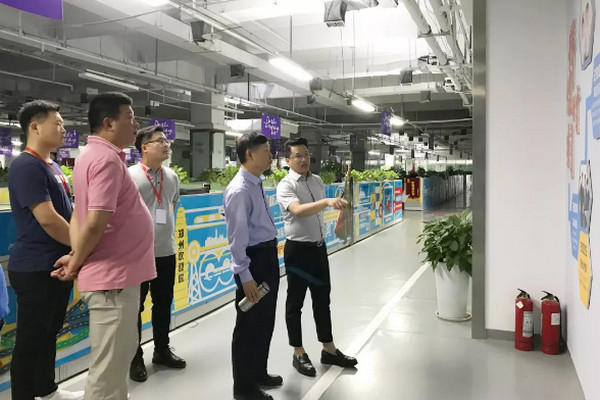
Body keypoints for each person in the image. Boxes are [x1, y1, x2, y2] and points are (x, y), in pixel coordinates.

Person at [52, 93, 156, 400]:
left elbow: (79, 214)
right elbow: (95, 222)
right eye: (130, 118)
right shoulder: (105, 159)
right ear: (109, 123)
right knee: (109, 371)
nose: (136, 125)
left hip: (116, 279)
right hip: (114, 282)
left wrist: (76, 254)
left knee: (115, 361)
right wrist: (76, 261)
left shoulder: (92, 155)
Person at [8, 100, 83, 400]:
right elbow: (48, 219)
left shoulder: (52, 166)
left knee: (49, 332)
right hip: (35, 267)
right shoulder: (26, 165)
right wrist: (81, 246)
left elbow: (68, 211)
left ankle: (47, 390)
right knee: (30, 339)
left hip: (56, 263)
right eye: (58, 123)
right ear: (35, 127)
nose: (64, 129)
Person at [276, 137, 357, 377]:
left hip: (319, 250)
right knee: (295, 304)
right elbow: (299, 211)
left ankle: (328, 349)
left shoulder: (317, 180)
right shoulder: (285, 185)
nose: (303, 160)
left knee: (322, 301)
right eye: (298, 156)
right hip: (298, 252)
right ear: (288, 160)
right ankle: (298, 352)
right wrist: (326, 201)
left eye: (306, 155)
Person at [223, 133, 282, 400]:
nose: (271, 156)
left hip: (267, 257)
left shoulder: (256, 183)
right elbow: (237, 241)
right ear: (250, 154)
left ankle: (258, 373)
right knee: (248, 326)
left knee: (265, 321)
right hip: (253, 262)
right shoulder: (239, 190)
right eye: (266, 151)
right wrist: (245, 276)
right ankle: (244, 389)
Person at [128, 125, 186, 382]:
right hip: (137, 255)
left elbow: (172, 205)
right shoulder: (130, 176)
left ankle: (161, 350)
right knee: (135, 308)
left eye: (166, 141)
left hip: (166, 251)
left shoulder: (171, 176)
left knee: (163, 303)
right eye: (159, 141)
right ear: (144, 147)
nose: (166, 145)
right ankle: (134, 357)